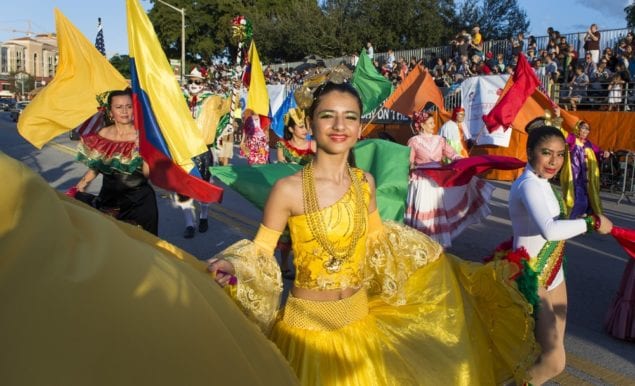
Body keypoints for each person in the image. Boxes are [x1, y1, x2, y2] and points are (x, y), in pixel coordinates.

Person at [207, 81, 539, 385]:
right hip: (306, 336)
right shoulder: (287, 190)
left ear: (358, 126)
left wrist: (441, 268)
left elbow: (382, 244)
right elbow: (262, 251)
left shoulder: (364, 183)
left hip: (361, 327)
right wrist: (233, 266)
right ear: (310, 123)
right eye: (328, 116)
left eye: (350, 117)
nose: (340, 126)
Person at [507, 125, 613, 385]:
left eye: (560, 154)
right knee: (554, 361)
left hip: (554, 271)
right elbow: (550, 230)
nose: (554, 161)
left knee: (543, 355)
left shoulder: (542, 182)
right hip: (531, 275)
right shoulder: (529, 185)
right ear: (530, 152)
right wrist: (592, 223)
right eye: (546, 153)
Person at [74, 88, 158, 235]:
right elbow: (97, 166)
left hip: (140, 202)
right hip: (110, 203)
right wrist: (82, 184)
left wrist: (145, 153)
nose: (125, 111)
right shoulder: (103, 134)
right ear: (111, 112)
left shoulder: (144, 137)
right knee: (112, 247)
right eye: (119, 107)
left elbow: (147, 174)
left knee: (144, 249)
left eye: (129, 106)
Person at [404, 111, 494, 247]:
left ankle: (435, 244)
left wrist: (466, 163)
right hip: (421, 182)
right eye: (430, 123)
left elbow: (453, 155)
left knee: (435, 211)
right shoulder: (413, 141)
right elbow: (408, 163)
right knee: (423, 211)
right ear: (421, 125)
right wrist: (411, 171)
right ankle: (420, 244)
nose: (434, 125)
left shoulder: (440, 140)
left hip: (437, 181)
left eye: (433, 122)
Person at [275, 107, 316, 279]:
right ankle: (284, 264)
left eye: (306, 126)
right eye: (300, 126)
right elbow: (279, 167)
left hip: (308, 195)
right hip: (289, 197)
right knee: (285, 234)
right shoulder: (282, 145)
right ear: (291, 129)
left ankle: (304, 266)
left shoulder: (313, 145)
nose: (305, 130)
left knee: (306, 233)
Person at [175, 67, 216, 239]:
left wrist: (235, 88)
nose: (193, 84)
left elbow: (228, 107)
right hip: (182, 150)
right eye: (190, 81)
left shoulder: (211, 100)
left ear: (204, 83)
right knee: (181, 188)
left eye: (197, 81)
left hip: (202, 150)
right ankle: (189, 224)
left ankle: (204, 217)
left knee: (204, 186)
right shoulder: (178, 99)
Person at [560, 120, 610, 219]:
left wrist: (604, 153)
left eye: (588, 129)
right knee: (577, 196)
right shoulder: (572, 139)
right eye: (584, 128)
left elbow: (599, 152)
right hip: (575, 176)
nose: (586, 131)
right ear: (578, 128)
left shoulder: (589, 144)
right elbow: (562, 134)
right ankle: (572, 217)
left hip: (588, 178)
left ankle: (586, 217)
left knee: (589, 196)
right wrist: (557, 118)